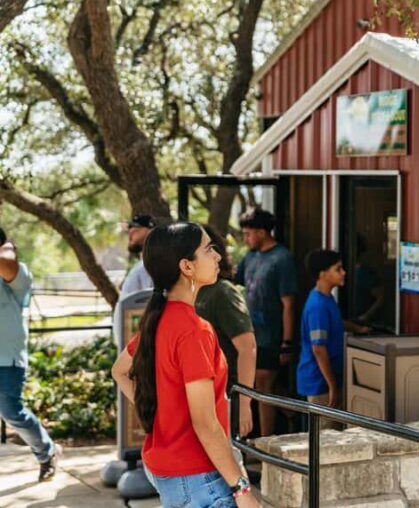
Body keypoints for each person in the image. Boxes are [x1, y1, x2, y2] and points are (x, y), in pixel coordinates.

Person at [111, 223, 258, 507]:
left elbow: (119, 371)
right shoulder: (194, 330)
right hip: (199, 476)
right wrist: (242, 489)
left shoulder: (159, 319)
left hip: (169, 471)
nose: (217, 256)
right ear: (187, 267)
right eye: (209, 249)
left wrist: (160, 412)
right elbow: (205, 423)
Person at [0, 226, 61, 481]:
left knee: (11, 412)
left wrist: (6, 250)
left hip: (7, 359)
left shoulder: (18, 274)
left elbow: (8, 264)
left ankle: (46, 453)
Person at [235, 207, 297, 436]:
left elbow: (289, 304)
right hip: (248, 335)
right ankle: (291, 412)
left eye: (248, 234)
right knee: (259, 386)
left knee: (263, 388)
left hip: (271, 336)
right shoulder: (250, 257)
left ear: (262, 232)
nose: (245, 239)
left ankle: (265, 442)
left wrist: (287, 342)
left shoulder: (282, 259)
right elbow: (235, 280)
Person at [196, 224, 257, 437]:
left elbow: (247, 348)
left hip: (224, 396)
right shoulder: (185, 292)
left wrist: (244, 404)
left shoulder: (222, 292)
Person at [298, 249, 368, 429]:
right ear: (323, 274)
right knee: (325, 435)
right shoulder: (317, 306)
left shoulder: (326, 299)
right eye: (338, 269)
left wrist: (358, 328)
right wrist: (333, 387)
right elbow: (318, 349)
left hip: (326, 381)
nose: (343, 272)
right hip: (320, 383)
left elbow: (335, 322)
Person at [120, 214, 157, 296]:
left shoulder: (153, 265)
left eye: (135, 227)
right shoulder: (142, 266)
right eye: (129, 227)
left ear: (150, 230)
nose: (130, 231)